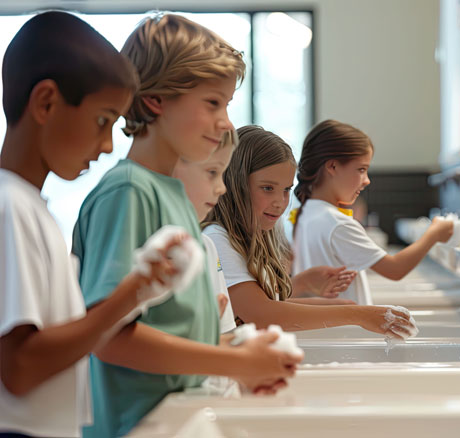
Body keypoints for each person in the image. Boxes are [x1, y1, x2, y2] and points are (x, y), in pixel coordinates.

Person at [71, 14, 300, 437]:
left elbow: (173, 334)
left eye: (227, 105)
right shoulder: (128, 192)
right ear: (156, 100)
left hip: (178, 418)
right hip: (138, 425)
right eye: (213, 103)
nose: (226, 122)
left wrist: (243, 351)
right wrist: (233, 362)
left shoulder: (172, 197)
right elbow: (110, 338)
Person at [0, 12, 191, 438]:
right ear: (46, 103)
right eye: (103, 120)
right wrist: (128, 295)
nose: (107, 146)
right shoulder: (11, 206)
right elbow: (20, 367)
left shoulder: (30, 206)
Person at [202, 125, 417, 336]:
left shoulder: (254, 237)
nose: (280, 202)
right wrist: (356, 314)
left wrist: (346, 307)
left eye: (286, 190)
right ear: (235, 184)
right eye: (268, 188)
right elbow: (261, 314)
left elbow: (272, 304)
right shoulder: (218, 239)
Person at [292, 119, 453, 305]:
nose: (367, 180)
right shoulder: (337, 223)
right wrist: (434, 233)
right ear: (332, 167)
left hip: (327, 327)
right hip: (346, 329)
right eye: (361, 169)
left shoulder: (306, 213)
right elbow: (395, 269)